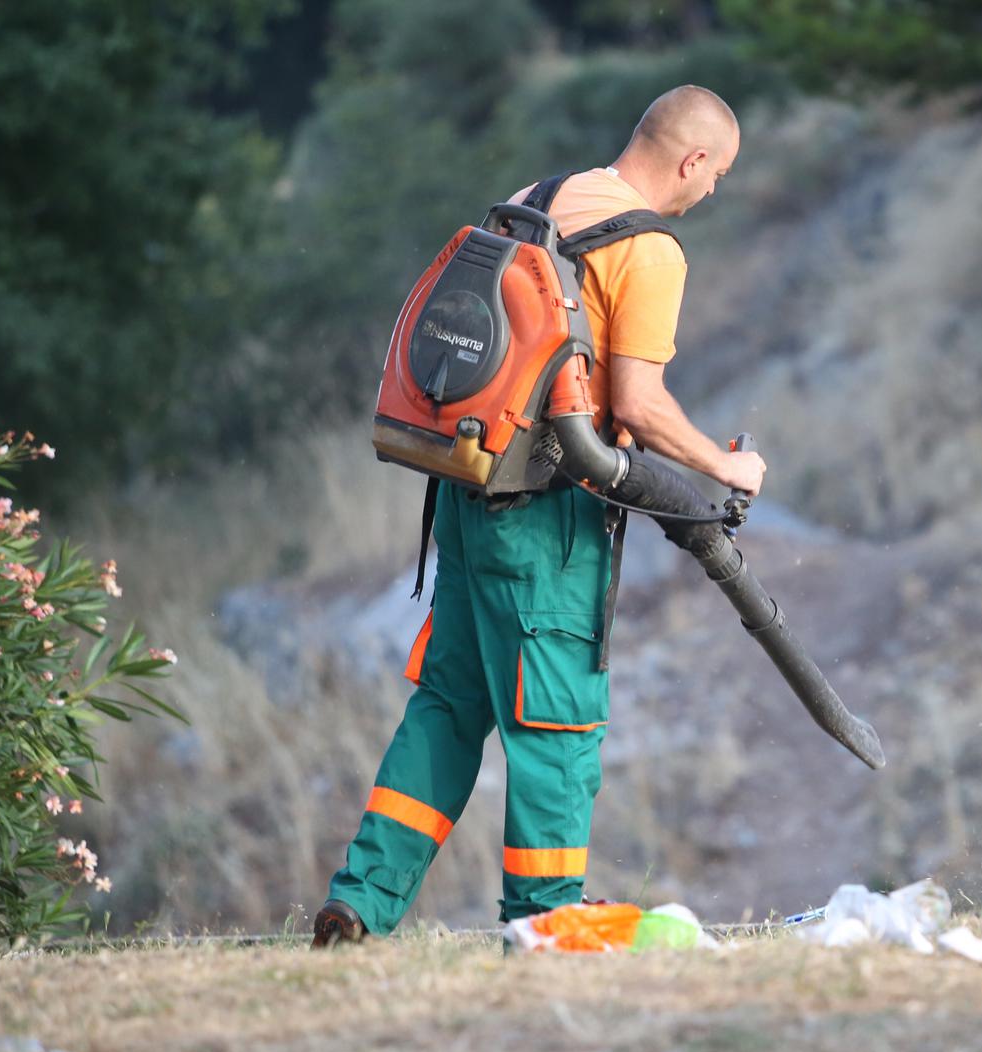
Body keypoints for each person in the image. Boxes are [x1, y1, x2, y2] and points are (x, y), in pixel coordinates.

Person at [312, 85, 766, 946]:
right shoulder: (648, 249)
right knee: (558, 720)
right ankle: (545, 920)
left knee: (449, 705)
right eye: (719, 174)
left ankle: (360, 900)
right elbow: (638, 406)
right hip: (548, 525)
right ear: (693, 160)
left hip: (464, 491)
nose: (714, 191)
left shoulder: (535, 197)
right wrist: (725, 464)